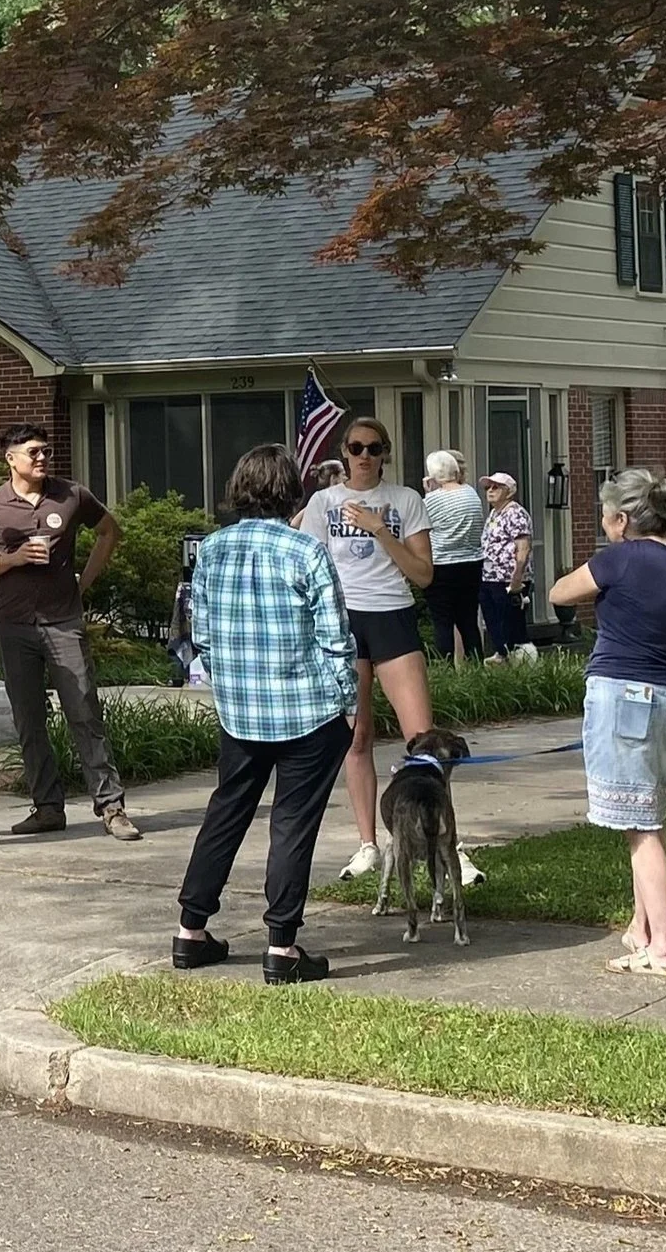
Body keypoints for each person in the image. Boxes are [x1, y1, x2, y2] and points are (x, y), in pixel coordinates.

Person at [173, 445, 359, 985]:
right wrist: (346, 701)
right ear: (290, 491)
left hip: (240, 711)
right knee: (292, 824)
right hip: (307, 710)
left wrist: (229, 684)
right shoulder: (306, 551)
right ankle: (282, 945)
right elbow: (335, 637)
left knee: (226, 812)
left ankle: (191, 930)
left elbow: (199, 630)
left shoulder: (211, 549)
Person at [298, 416, 483, 888]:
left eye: (374, 448)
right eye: (356, 448)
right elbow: (310, 568)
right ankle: (368, 845)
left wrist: (382, 531)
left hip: (392, 616)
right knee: (356, 739)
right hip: (343, 622)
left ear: (385, 454)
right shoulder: (324, 502)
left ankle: (450, 846)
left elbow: (423, 575)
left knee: (424, 742)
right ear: (344, 453)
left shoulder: (405, 500)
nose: (364, 456)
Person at [548, 469, 666, 978]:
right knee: (650, 816)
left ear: (622, 519)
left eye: (606, 515)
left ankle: (664, 949)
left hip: (621, 696)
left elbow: (558, 593)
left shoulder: (616, 560)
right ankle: (642, 929)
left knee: (640, 828)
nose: (603, 524)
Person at [0, 422, 141, 841]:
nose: (43, 458)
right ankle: (47, 808)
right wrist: (15, 558)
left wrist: (82, 585)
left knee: (83, 712)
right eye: (33, 452)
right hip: (14, 625)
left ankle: (111, 807)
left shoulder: (72, 494)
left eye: (45, 451)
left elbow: (109, 532)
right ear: (10, 458)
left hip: (64, 623)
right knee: (29, 719)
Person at [421, 450, 488, 663]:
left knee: (443, 622)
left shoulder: (431, 501)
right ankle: (476, 666)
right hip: (472, 564)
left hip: (442, 566)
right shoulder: (471, 494)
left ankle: (446, 669)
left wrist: (428, 491)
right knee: (468, 621)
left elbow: (420, 526)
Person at [480, 472, 537, 662]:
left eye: (496, 487)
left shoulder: (515, 513)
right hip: (490, 576)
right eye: (488, 487)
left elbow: (523, 547)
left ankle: (522, 662)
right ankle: (502, 654)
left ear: (509, 491)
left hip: (508, 578)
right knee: (494, 621)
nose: (490, 491)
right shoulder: (495, 513)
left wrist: (517, 578)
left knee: (512, 624)